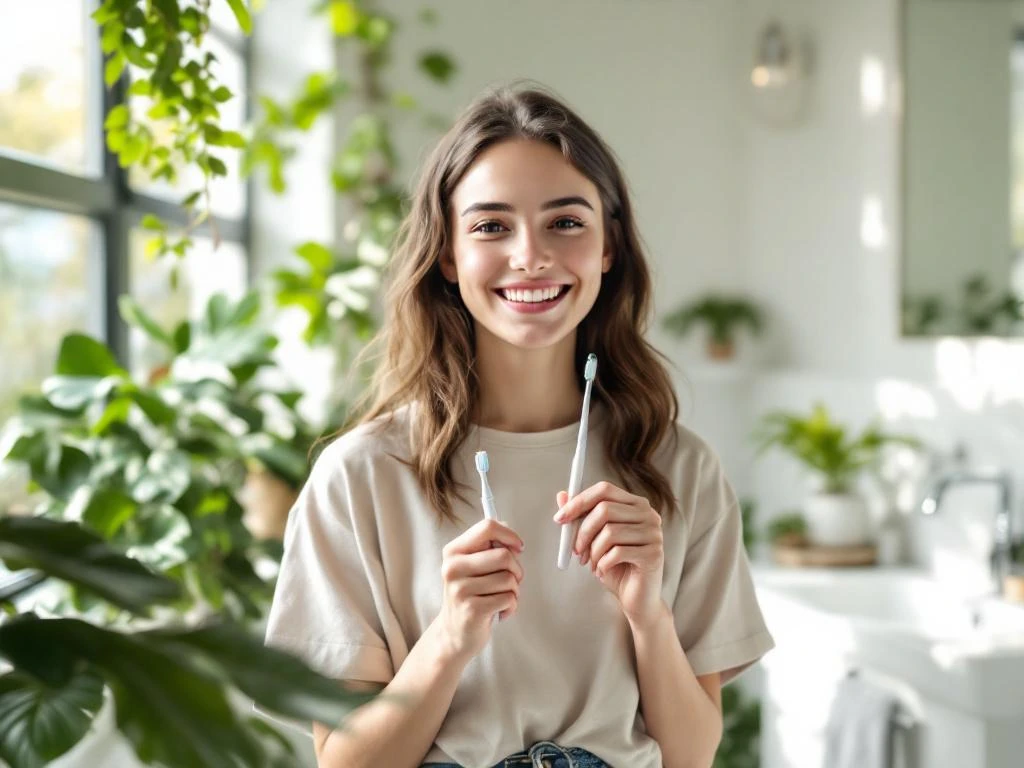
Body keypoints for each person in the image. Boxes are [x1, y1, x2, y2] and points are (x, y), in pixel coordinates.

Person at [264, 82, 775, 768]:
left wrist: (648, 614)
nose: (530, 255)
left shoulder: (680, 470)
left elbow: (691, 755)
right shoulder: (359, 478)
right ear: (447, 254)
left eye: (565, 222)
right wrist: (450, 637)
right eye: (490, 226)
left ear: (608, 248)